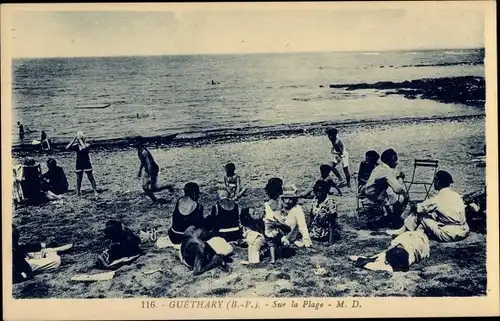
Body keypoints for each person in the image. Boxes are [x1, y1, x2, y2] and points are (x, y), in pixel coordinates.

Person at [386, 170, 469, 242]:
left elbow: (418, 208)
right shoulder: (457, 195)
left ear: (438, 182)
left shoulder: (437, 198)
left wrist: (412, 206)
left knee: (420, 215)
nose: (433, 182)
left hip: (449, 234)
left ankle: (402, 231)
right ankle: (415, 233)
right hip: (463, 231)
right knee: (430, 215)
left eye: (435, 180)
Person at [361, 148, 407, 223]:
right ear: (390, 161)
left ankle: (389, 215)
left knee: (390, 192)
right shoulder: (387, 171)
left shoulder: (379, 167)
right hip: (377, 197)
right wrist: (400, 178)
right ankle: (396, 219)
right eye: (395, 161)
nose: (396, 163)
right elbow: (398, 189)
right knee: (403, 195)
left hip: (369, 193)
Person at [349, 230, 430, 272]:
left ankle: (365, 260)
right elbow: (425, 254)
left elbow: (393, 245)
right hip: (406, 250)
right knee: (383, 260)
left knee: (381, 259)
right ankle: (366, 260)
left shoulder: (409, 234)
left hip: (404, 250)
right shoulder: (421, 240)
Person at [135, 136, 173, 203]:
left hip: (153, 169)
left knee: (153, 189)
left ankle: (168, 187)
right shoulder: (139, 150)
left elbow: (149, 163)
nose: (134, 143)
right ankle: (155, 200)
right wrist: (140, 171)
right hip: (147, 169)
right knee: (145, 187)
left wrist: (149, 176)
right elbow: (142, 161)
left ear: (139, 143)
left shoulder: (144, 151)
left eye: (136, 142)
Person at [167, 182, 205, 246]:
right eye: (198, 193)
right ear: (194, 193)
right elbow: (199, 224)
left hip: (174, 236)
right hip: (188, 238)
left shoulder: (180, 200)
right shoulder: (198, 206)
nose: (198, 196)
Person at [66, 131, 98, 197]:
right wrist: (73, 140)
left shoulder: (87, 145)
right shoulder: (77, 146)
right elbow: (67, 148)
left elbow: (84, 148)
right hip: (79, 163)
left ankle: (95, 191)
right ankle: (78, 192)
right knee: (78, 179)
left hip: (86, 162)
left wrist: (79, 139)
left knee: (90, 177)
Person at [263, 178, 288, 264]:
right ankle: (280, 257)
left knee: (271, 243)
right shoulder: (279, 202)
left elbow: (268, 213)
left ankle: (273, 259)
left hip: (269, 223)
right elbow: (280, 213)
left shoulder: (269, 203)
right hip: (277, 223)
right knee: (278, 240)